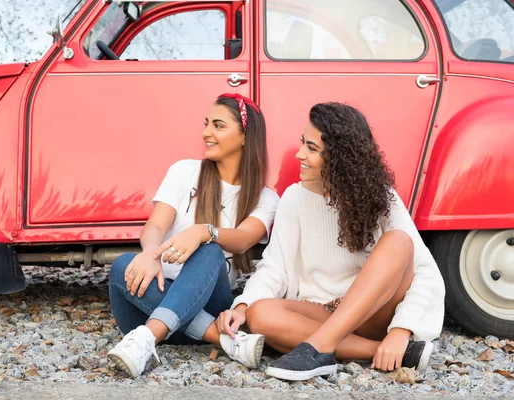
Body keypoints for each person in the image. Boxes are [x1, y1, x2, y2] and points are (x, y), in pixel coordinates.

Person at [216, 102, 445, 381]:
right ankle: (381, 352)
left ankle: (319, 348)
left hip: (371, 313)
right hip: (319, 314)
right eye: (303, 143)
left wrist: (400, 330)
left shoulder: (380, 197)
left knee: (398, 242)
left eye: (311, 148)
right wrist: (243, 305)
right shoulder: (293, 197)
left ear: (340, 157)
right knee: (260, 313)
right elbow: (274, 267)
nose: (299, 154)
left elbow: (425, 272)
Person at [107, 93, 280, 377]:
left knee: (210, 248)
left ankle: (146, 339)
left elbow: (244, 238)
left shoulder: (266, 198)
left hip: (205, 303)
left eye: (218, 125)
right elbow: (155, 227)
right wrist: (151, 253)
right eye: (206, 123)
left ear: (245, 136)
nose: (206, 133)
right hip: (151, 302)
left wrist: (203, 231)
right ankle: (226, 340)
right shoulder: (184, 171)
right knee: (122, 266)